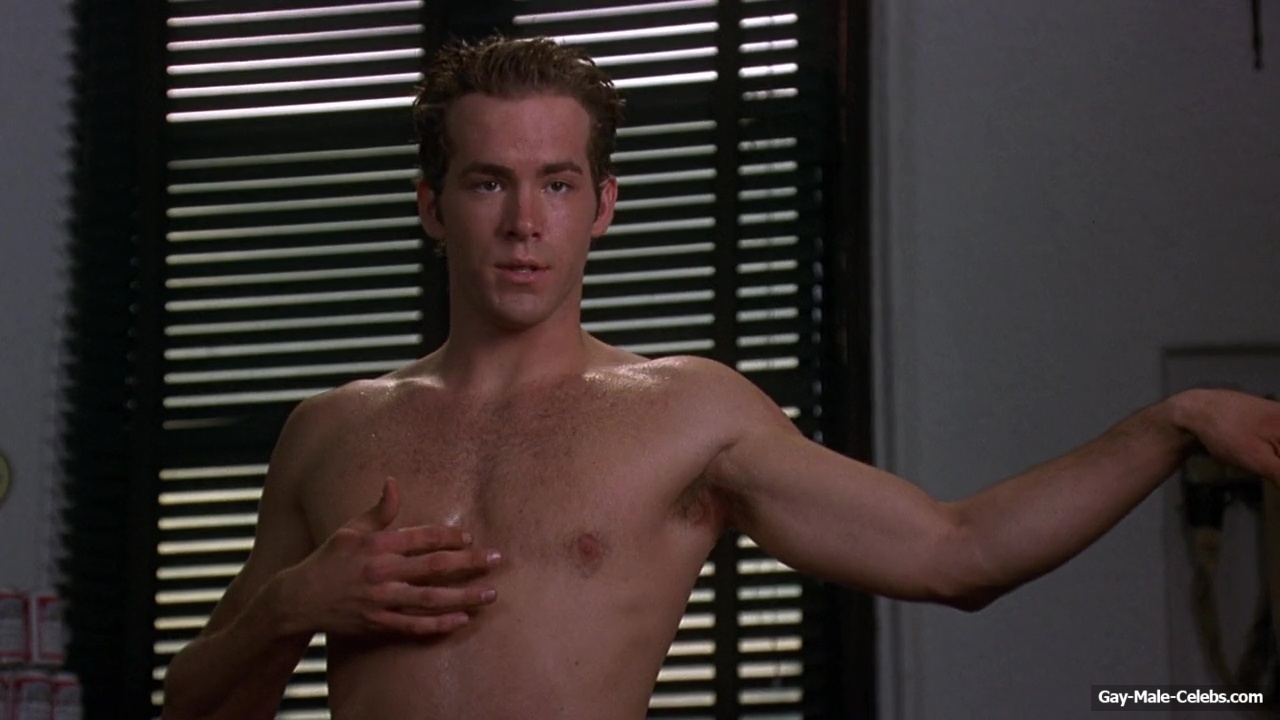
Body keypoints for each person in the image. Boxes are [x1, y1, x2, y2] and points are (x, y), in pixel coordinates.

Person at [160, 35, 1280, 720]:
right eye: (488, 182)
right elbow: (198, 707)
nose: (523, 223)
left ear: (603, 206)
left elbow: (957, 554)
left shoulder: (683, 415)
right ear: (430, 205)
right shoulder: (329, 432)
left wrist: (1171, 425)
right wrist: (294, 608)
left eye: (557, 184)